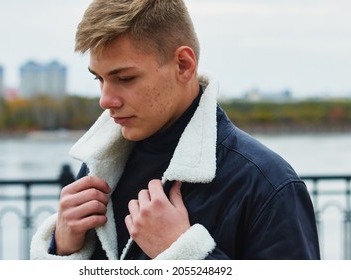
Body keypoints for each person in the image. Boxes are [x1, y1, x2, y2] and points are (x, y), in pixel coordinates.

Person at [30, 0, 320, 260]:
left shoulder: (268, 185)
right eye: (100, 79)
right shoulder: (97, 169)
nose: (105, 99)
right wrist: (63, 248)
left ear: (183, 64)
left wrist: (183, 255)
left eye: (125, 78)